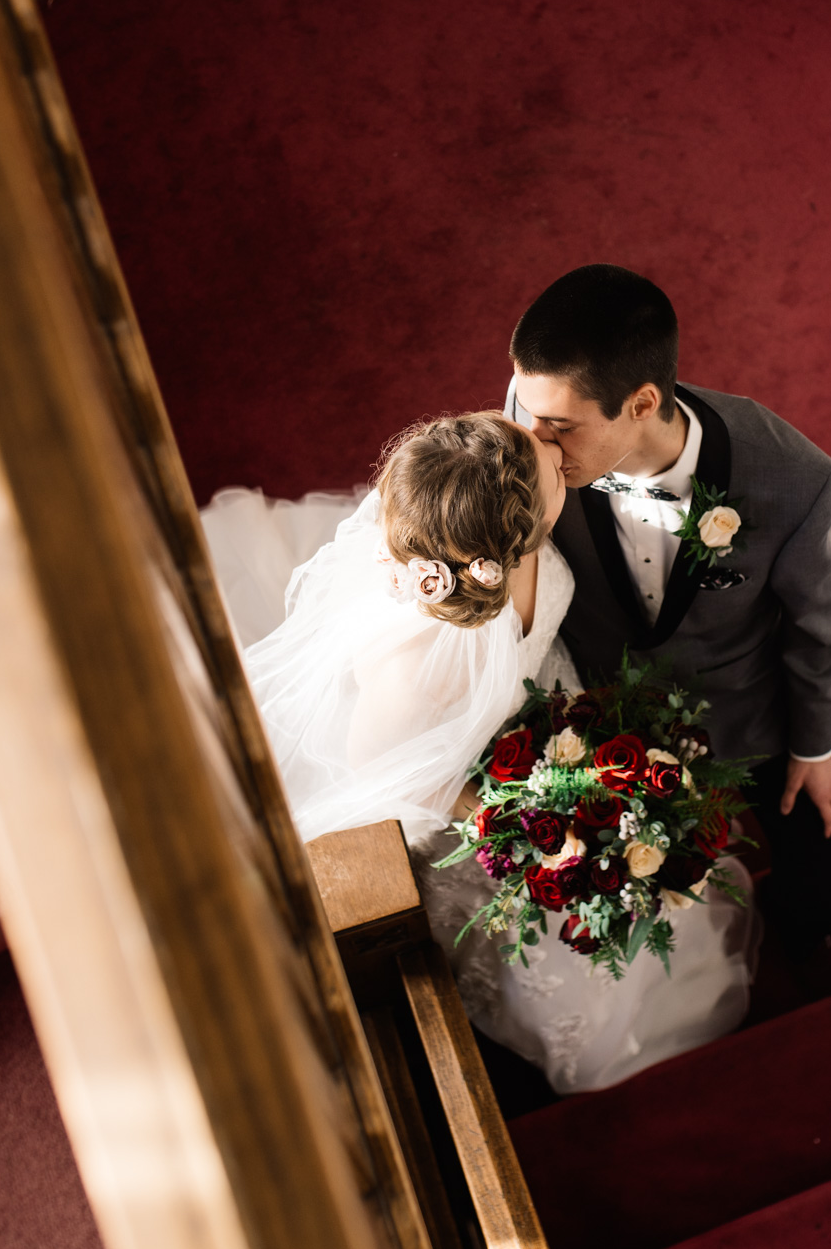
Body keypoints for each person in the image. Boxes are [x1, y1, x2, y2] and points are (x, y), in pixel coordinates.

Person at [202, 409, 758, 1092]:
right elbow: (377, 768)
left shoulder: (493, 464)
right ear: (515, 540)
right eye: (551, 465)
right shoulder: (426, 664)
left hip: (536, 704)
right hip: (461, 776)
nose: (555, 450)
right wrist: (508, 818)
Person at [506, 264, 831, 960]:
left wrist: (815, 750)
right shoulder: (540, 421)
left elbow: (818, 629)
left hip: (740, 713)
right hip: (599, 713)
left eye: (559, 426)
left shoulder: (793, 478)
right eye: (529, 412)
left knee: (820, 875)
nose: (536, 441)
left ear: (641, 403)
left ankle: (806, 933)